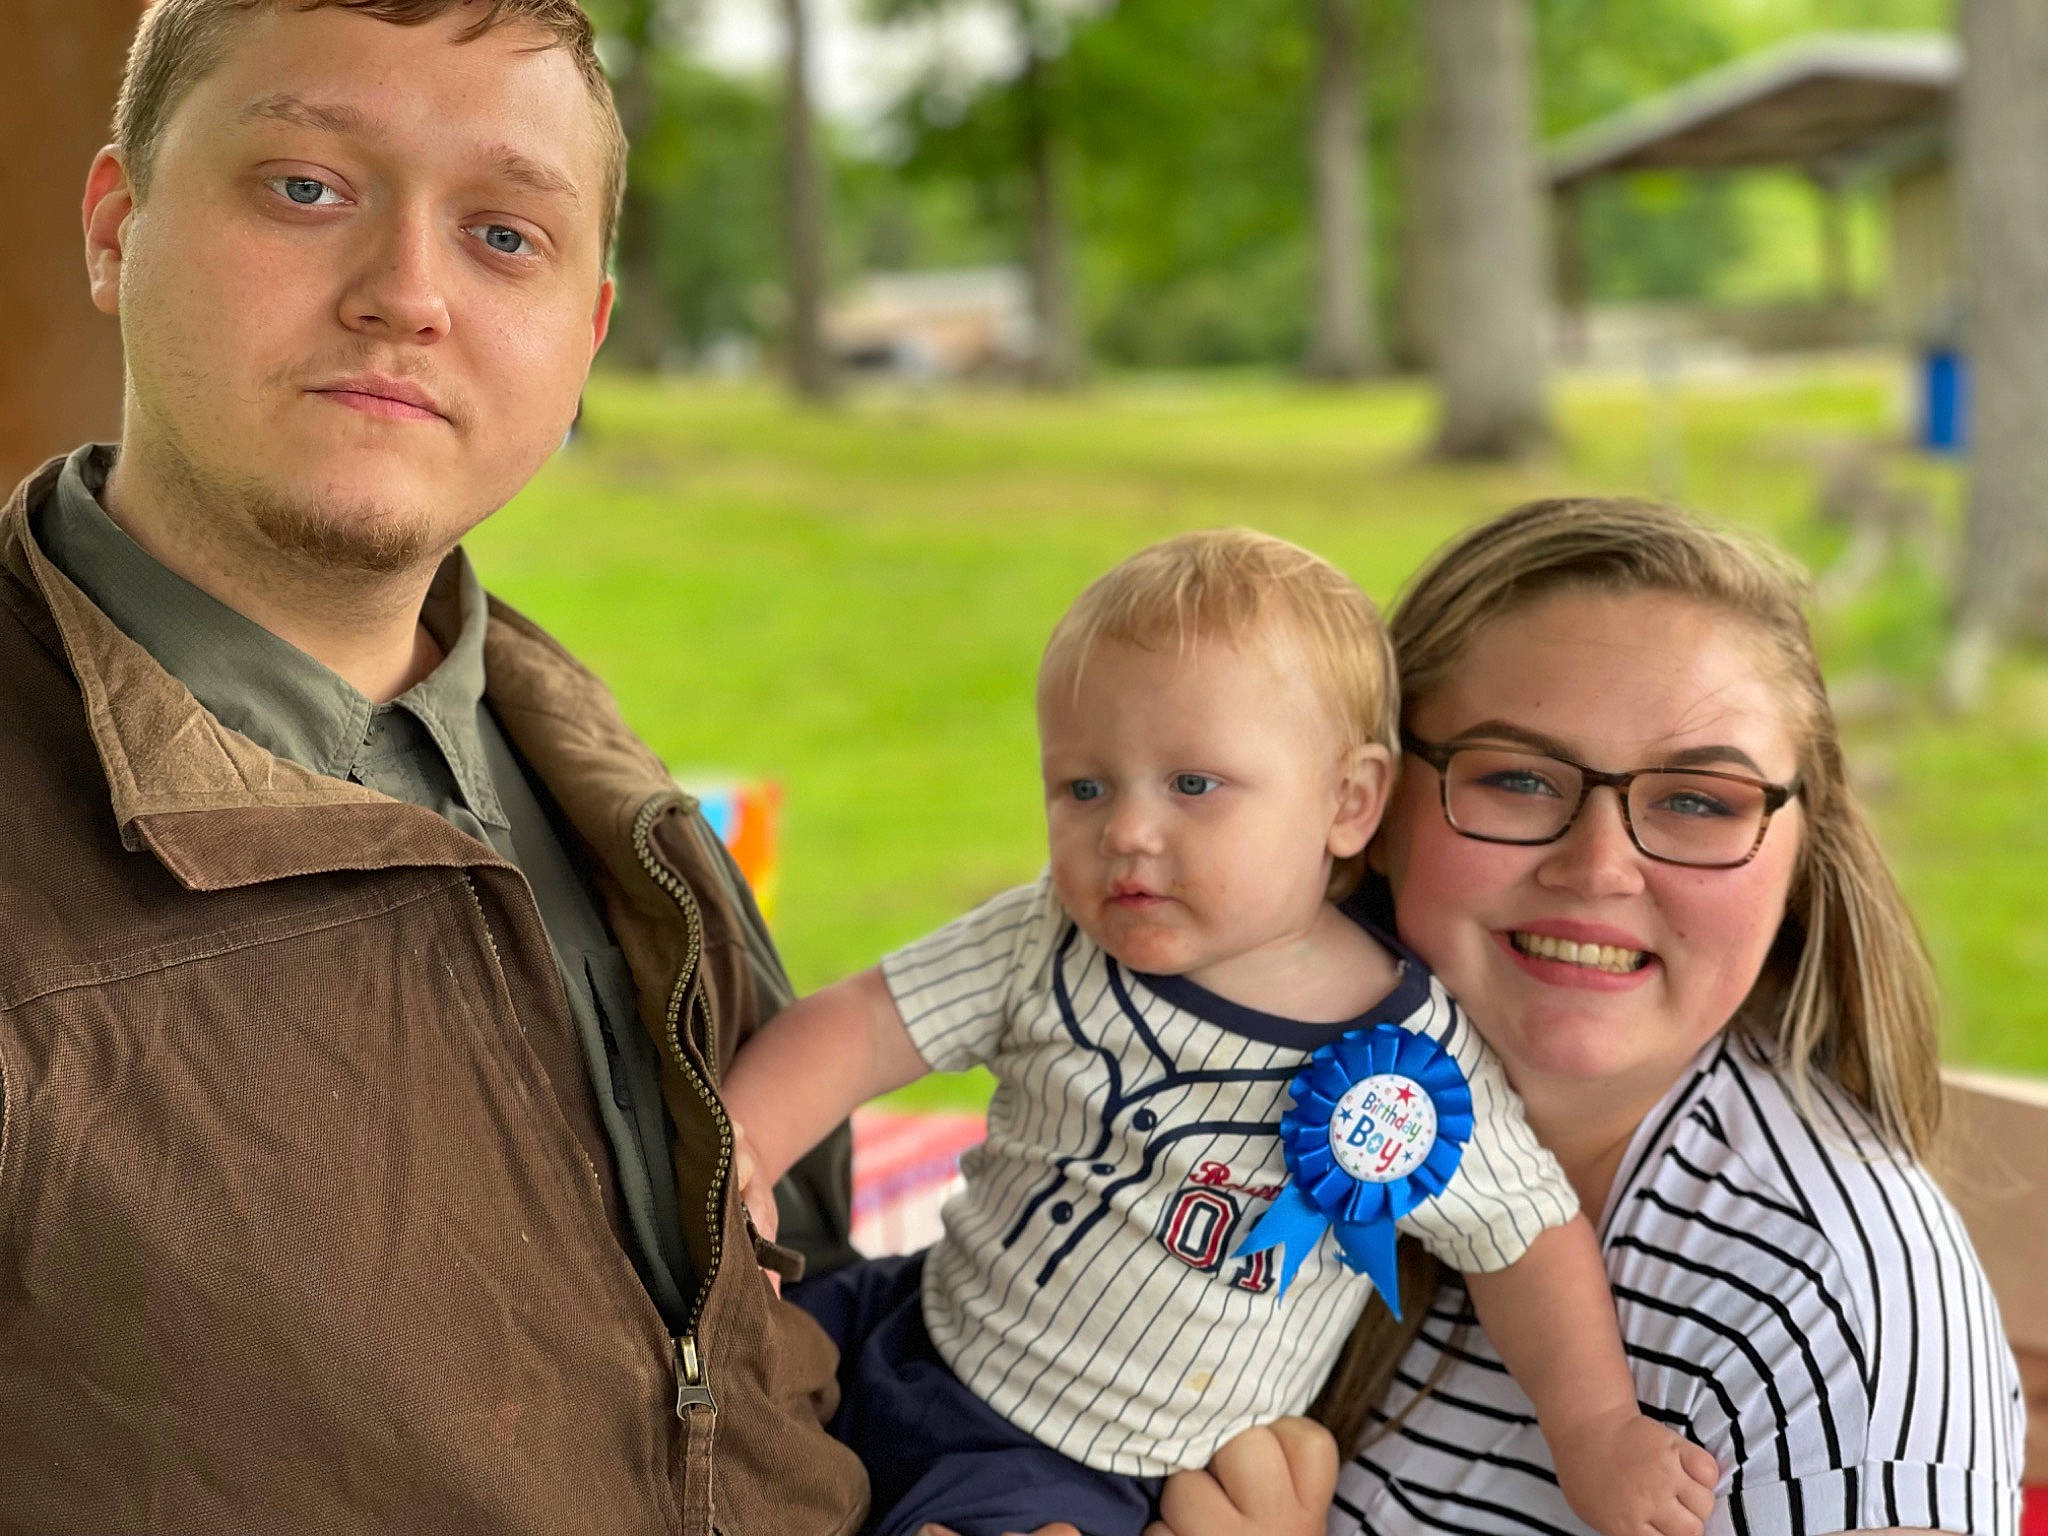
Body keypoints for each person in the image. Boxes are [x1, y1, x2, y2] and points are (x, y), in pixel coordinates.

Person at [0, 1, 864, 1530]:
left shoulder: (605, 787)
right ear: (118, 228)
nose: (407, 296)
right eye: (307, 187)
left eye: (505, 235)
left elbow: (776, 1361)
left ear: (586, 333)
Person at [724, 530, 1720, 1536]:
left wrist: (1595, 1429)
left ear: (1347, 802)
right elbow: (865, 1021)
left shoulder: (1406, 1066)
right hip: (914, 1326)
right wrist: (743, 1148)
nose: (1125, 831)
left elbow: (1525, 1240)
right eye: (1082, 787)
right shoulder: (1048, 937)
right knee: (681, 1375)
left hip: (1092, 1468)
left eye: (1192, 786)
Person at [1150, 498, 2027, 1536]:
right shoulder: (1261, 1097)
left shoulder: (1824, 1311)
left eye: (1698, 801)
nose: (1598, 868)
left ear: (1799, 858)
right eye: (1517, 777)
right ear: (1366, 807)